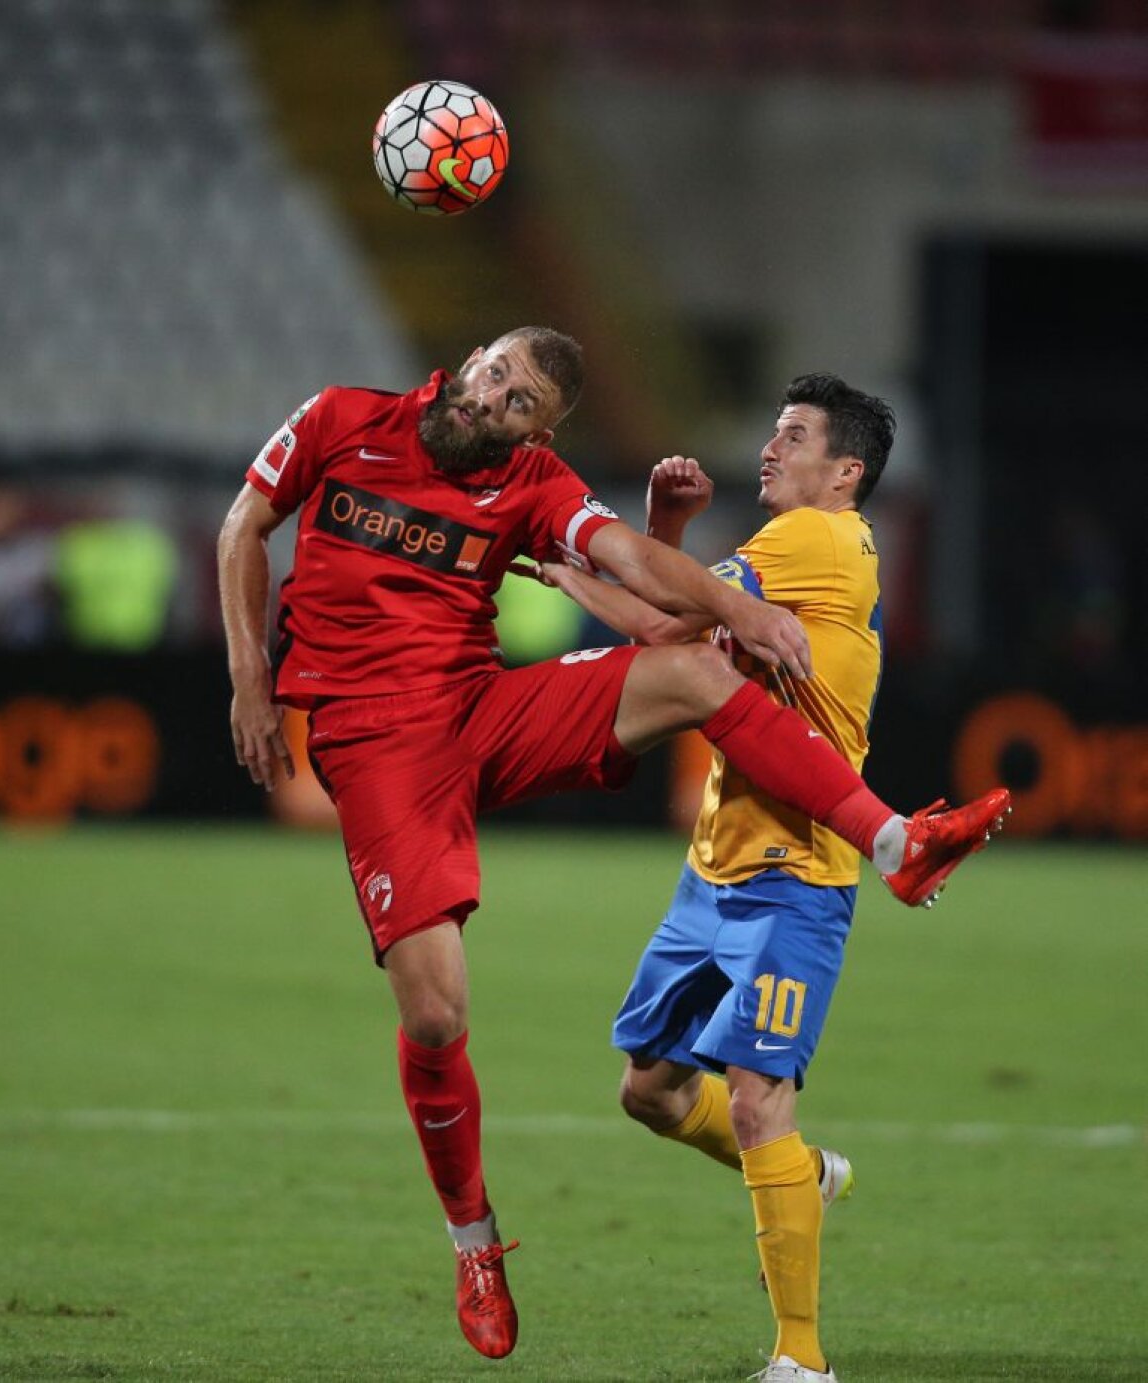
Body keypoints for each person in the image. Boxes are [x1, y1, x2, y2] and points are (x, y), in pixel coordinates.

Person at [216, 329, 1009, 1363]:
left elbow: (632, 572)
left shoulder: (535, 482)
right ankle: (475, 1243)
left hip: (479, 711)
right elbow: (244, 525)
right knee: (440, 1011)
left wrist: (718, 602)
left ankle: (894, 838)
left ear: (537, 431)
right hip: (376, 750)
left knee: (694, 677)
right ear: (467, 362)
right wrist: (246, 675)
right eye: (494, 373)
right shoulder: (340, 419)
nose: (495, 399)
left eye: (519, 401)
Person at [539, 374, 977, 1382]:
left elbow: (658, 607)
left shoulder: (817, 538)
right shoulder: (794, 554)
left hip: (798, 877)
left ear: (846, 471)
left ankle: (801, 1360)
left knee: (752, 1104)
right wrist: (648, 543)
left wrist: (590, 552)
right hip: (715, 868)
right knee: (648, 1091)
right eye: (774, 433)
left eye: (793, 436)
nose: (771, 449)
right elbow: (675, 632)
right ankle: (805, 1178)